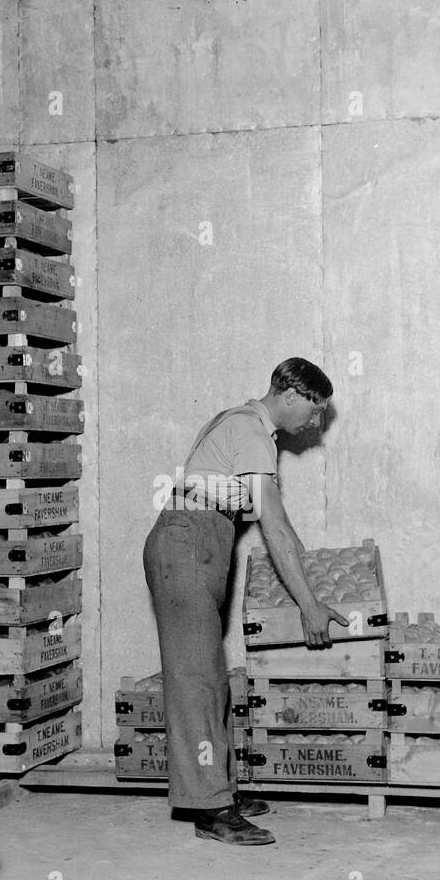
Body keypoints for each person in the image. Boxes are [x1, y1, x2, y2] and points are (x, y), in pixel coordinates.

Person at [143, 358, 347, 846]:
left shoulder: (243, 425)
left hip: (202, 538)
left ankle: (219, 791)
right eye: (315, 411)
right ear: (292, 395)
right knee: (195, 679)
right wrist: (307, 605)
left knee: (211, 675)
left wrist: (315, 592)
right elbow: (273, 527)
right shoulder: (251, 432)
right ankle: (209, 809)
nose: (314, 424)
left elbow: (282, 526)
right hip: (188, 541)